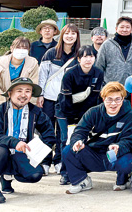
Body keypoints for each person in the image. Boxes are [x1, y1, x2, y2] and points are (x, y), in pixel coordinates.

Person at [0, 77, 54, 204]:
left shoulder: (35, 112)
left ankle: (7, 177)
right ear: (10, 93)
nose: (23, 95)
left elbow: (49, 133)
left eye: (28, 91)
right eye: (19, 91)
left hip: (22, 151)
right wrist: (15, 142)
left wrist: (38, 150)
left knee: (35, 174)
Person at [63, 82, 132, 194]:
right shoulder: (93, 112)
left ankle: (122, 180)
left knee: (126, 162)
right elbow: (79, 131)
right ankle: (82, 181)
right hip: (93, 154)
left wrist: (119, 146)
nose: (113, 103)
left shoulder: (131, 116)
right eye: (109, 99)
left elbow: (129, 140)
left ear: (123, 99)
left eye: (118, 99)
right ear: (103, 99)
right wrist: (78, 141)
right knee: (68, 150)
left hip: (115, 155)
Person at [57, 45, 104, 185]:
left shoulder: (98, 73)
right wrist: (73, 120)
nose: (88, 59)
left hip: (85, 112)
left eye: (91, 56)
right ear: (79, 59)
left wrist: (85, 119)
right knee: (66, 139)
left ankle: (77, 169)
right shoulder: (70, 74)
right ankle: (64, 173)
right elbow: (66, 99)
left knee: (82, 141)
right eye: (85, 56)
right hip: (65, 111)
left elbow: (93, 98)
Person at [38, 23, 81, 175]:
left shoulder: (79, 56)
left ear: (77, 37)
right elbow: (42, 76)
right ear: (62, 35)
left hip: (68, 101)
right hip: (49, 98)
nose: (70, 36)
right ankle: (44, 161)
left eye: (73, 34)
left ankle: (59, 160)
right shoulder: (51, 53)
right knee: (47, 130)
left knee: (63, 134)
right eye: (67, 33)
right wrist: (40, 95)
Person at [0, 36, 39, 111]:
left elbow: (33, 84)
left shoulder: (33, 64)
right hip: (0, 103)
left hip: (22, 103)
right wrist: (2, 106)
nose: (21, 50)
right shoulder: (0, 63)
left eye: (24, 48)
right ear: (12, 48)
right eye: (18, 47)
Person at [96, 16, 132, 84]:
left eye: (127, 27)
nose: (124, 29)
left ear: (131, 29)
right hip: (110, 88)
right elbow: (99, 66)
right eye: (122, 27)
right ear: (116, 28)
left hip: (131, 87)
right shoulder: (106, 45)